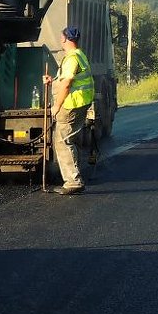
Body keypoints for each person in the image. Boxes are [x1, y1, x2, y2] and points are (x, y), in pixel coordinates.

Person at [44, 25, 95, 195]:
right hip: (81, 102)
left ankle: (73, 181)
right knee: (69, 139)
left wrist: (56, 106)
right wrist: (53, 81)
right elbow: (65, 79)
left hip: (71, 104)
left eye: (61, 37)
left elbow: (67, 84)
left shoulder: (72, 58)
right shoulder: (79, 55)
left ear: (65, 39)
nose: (61, 39)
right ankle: (74, 177)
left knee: (63, 141)